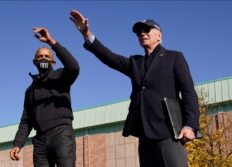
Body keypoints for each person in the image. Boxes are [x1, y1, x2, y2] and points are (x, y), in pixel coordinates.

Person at [70, 10, 200, 167]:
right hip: (144, 135)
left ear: (159, 35)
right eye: (139, 32)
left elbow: (188, 93)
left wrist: (190, 125)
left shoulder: (174, 57)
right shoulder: (135, 63)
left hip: (168, 133)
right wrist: (86, 33)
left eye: (147, 29)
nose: (142, 33)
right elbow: (109, 57)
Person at [9, 27, 79, 167]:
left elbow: (74, 67)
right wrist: (17, 144)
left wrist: (52, 42)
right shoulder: (30, 90)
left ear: (53, 62)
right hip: (40, 140)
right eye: (40, 56)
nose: (43, 59)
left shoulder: (61, 76)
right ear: (34, 62)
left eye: (47, 56)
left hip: (62, 134)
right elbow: (26, 120)